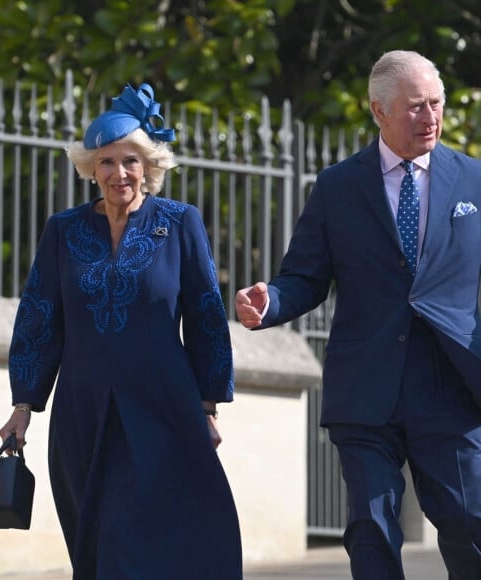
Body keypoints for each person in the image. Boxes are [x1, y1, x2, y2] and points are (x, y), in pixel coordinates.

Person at [235, 50, 481, 579]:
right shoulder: (338, 187)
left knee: (470, 524)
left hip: (452, 384)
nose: (431, 117)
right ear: (379, 111)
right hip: (366, 388)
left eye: (436, 104)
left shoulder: (473, 180)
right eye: (416, 106)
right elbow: (304, 277)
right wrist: (270, 301)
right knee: (371, 530)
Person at [0, 83, 242, 580]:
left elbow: (206, 316)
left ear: (148, 166)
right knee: (98, 540)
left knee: (152, 541)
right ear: (91, 169)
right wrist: (23, 406)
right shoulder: (63, 231)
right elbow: (40, 318)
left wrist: (207, 405)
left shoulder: (178, 223)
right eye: (106, 162)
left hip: (164, 408)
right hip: (83, 412)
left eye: (130, 161)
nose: (119, 173)